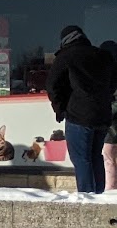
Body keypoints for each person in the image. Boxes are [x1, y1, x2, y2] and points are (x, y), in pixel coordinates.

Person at [47, 25, 115, 194]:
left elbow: (52, 85)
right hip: (103, 115)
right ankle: (98, 196)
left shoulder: (66, 56)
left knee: (81, 159)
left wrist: (60, 108)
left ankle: (86, 197)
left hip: (79, 115)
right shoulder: (103, 56)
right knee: (96, 157)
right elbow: (113, 82)